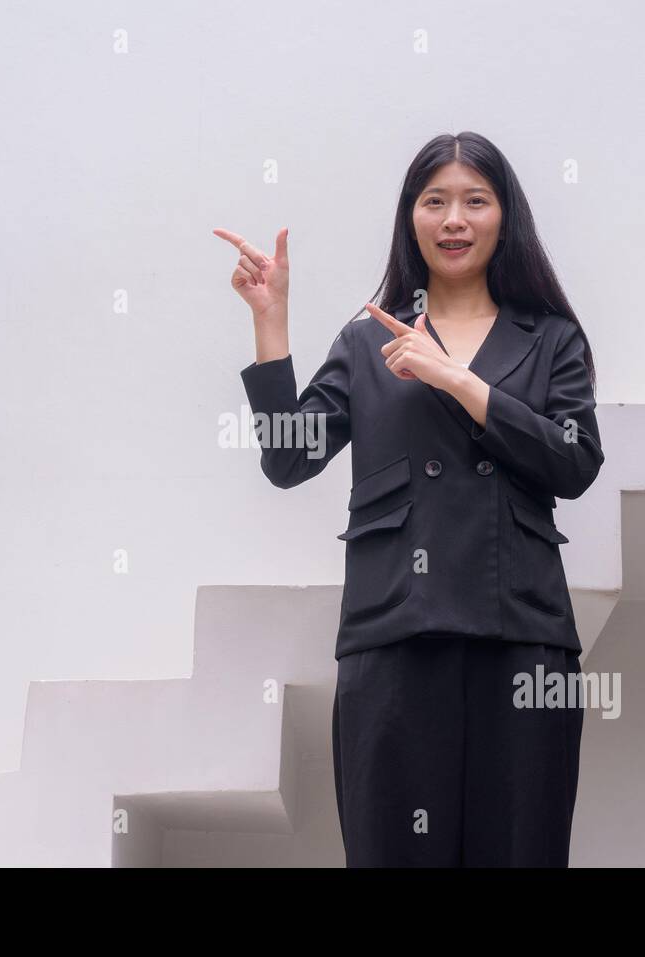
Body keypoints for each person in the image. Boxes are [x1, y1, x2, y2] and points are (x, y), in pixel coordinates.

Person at [215, 131, 604, 867]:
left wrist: (460, 380)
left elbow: (576, 459)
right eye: (436, 201)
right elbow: (289, 458)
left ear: (504, 216)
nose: (454, 219)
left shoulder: (551, 339)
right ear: (411, 217)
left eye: (475, 201)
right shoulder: (367, 341)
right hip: (393, 635)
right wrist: (272, 321)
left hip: (522, 638)